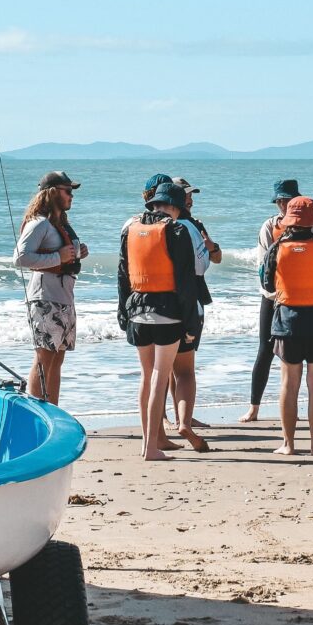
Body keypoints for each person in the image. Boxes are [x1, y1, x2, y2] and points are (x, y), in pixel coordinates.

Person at [118, 177, 208, 460]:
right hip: (168, 313)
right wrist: (190, 324)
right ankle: (151, 448)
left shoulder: (131, 229)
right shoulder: (178, 230)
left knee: (146, 377)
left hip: (137, 312)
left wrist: (123, 311)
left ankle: (150, 441)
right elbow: (185, 281)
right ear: (175, 207)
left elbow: (122, 274)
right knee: (159, 376)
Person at [261, 197, 313, 455]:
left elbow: (267, 285)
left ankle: (288, 444)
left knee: (289, 383)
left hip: (287, 321)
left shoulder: (276, 248)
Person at [13, 171, 88, 404]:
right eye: (68, 191)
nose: (72, 196)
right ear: (53, 192)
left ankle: (53, 411)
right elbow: (20, 257)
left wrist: (78, 252)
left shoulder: (60, 224)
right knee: (44, 360)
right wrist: (58, 257)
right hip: (44, 298)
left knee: (57, 360)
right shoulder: (39, 223)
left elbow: (65, 256)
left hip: (64, 298)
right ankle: (36, 413)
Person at [240, 178, 302, 423]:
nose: (283, 205)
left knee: (296, 354)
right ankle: (254, 407)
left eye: (287, 200)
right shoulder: (269, 226)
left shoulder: (310, 225)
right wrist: (273, 293)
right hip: (273, 296)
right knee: (265, 350)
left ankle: (297, 408)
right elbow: (263, 264)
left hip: (300, 297)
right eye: (280, 200)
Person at [169, 178, 220, 429]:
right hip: (183, 295)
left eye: (191, 195)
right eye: (186, 194)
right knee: (176, 363)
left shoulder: (195, 224)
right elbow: (202, 264)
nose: (190, 199)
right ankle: (174, 417)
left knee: (180, 360)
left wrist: (211, 246)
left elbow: (216, 256)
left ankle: (181, 415)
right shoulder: (176, 224)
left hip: (192, 293)